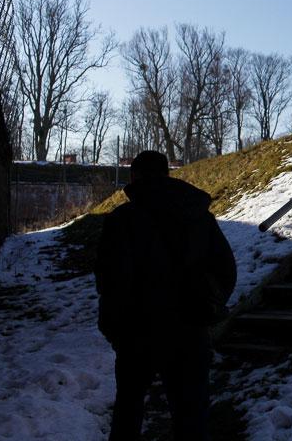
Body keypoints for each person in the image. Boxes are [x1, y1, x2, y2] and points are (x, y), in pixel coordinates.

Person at [95, 150, 236, 440]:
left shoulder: (121, 220)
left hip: (136, 331)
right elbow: (225, 269)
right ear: (168, 174)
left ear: (134, 178)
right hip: (189, 329)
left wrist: (113, 328)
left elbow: (109, 281)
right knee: (191, 417)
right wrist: (207, 307)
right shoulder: (198, 216)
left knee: (128, 413)